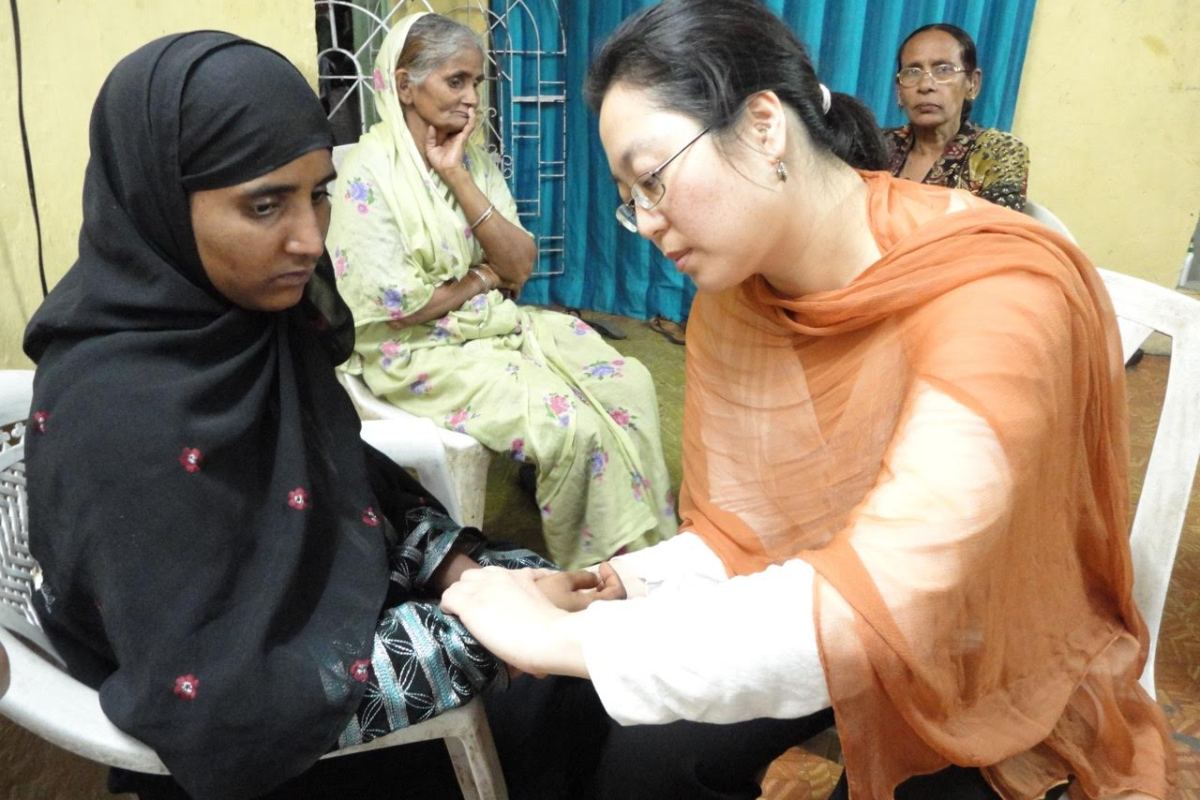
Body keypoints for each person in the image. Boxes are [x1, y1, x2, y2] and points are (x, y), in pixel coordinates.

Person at [441, 2, 1175, 798]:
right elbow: (747, 533)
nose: (645, 222)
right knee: (621, 751)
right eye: (629, 196)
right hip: (836, 597)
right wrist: (629, 583)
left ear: (764, 126)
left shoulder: (992, 297)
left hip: (981, 639)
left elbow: (888, 604)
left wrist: (556, 640)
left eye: (653, 179)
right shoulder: (739, 297)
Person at [20, 32, 560, 800]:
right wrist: (478, 633)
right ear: (161, 200)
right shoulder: (117, 413)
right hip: (268, 750)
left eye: (319, 194)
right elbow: (221, 707)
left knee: (560, 621)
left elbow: (342, 482)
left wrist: (455, 568)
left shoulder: (251, 327)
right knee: (567, 685)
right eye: (265, 204)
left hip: (325, 627)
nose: (309, 240)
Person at [325, 12, 676, 570]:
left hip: (492, 326)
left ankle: (646, 554)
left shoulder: (473, 162)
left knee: (628, 383)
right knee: (567, 423)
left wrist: (456, 175)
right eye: (456, 80)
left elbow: (520, 264)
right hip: (414, 352)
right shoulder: (367, 175)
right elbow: (402, 306)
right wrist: (483, 278)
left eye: (476, 82)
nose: (471, 98)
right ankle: (603, 567)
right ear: (405, 85)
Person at [883, 23, 1029, 210]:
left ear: (973, 83)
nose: (925, 85)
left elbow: (997, 226)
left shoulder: (998, 151)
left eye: (943, 70)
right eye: (912, 72)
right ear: (899, 90)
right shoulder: (878, 146)